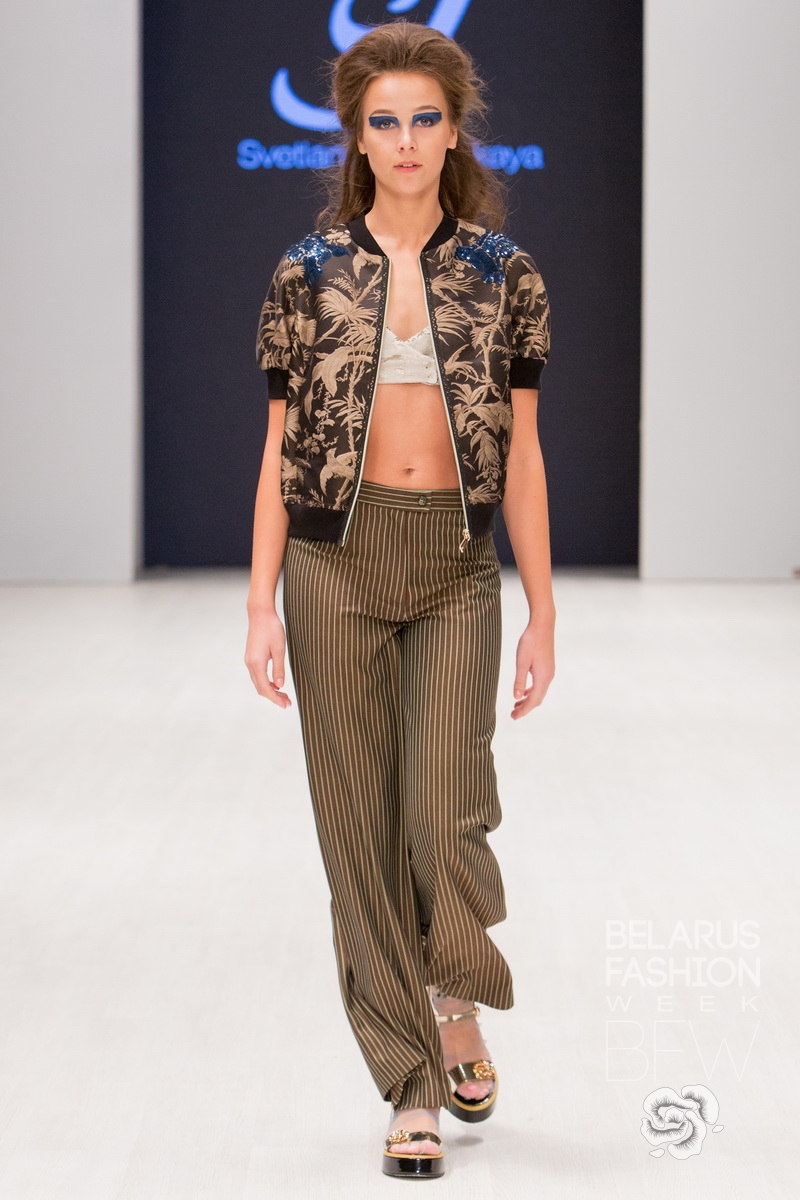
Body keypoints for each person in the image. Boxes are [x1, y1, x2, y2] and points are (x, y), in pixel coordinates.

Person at [245, 20, 554, 1180]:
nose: (407, 139)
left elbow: (522, 454)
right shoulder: (306, 272)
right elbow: (278, 447)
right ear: (357, 137)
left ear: (455, 130)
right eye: (385, 121)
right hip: (332, 561)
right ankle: (408, 1083)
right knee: (356, 838)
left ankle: (452, 990)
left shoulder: (503, 274)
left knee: (442, 810)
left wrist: (543, 609)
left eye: (426, 118)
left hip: (453, 563)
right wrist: (259, 603)